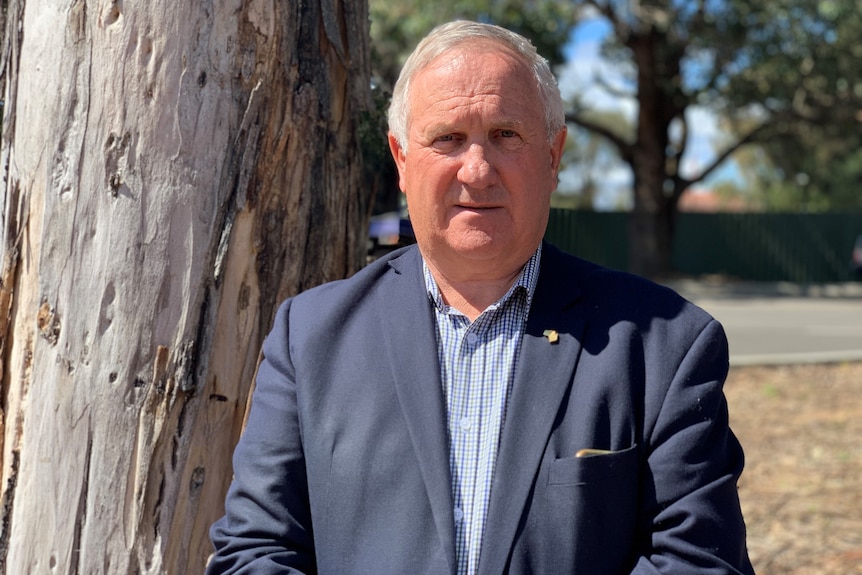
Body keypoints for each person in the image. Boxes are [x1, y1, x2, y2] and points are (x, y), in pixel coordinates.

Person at [207, 20, 754, 575]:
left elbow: (699, 564)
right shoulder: (311, 337)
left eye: (506, 135)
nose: (477, 170)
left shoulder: (665, 345)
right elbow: (254, 552)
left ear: (552, 155)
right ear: (400, 159)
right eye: (447, 138)